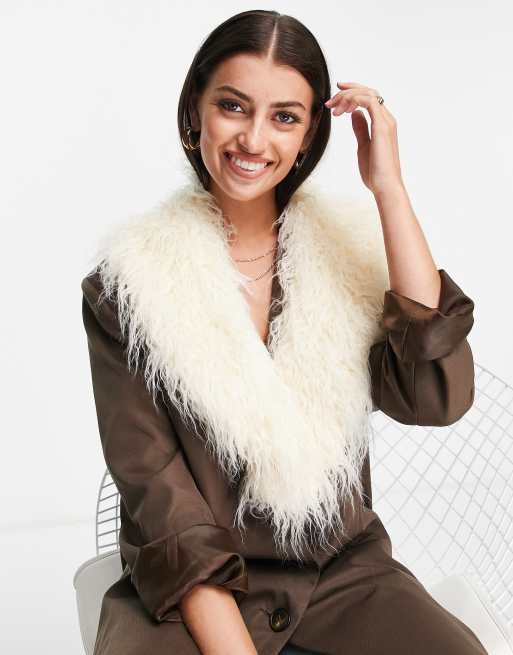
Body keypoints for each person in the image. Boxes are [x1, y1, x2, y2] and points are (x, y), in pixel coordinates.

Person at [81, 9, 487, 655]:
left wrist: (387, 187)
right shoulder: (127, 285)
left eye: (284, 117)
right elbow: (160, 498)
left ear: (308, 135)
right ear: (196, 111)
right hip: (189, 589)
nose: (253, 139)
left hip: (339, 573)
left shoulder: (340, 257)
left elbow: (434, 397)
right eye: (233, 106)